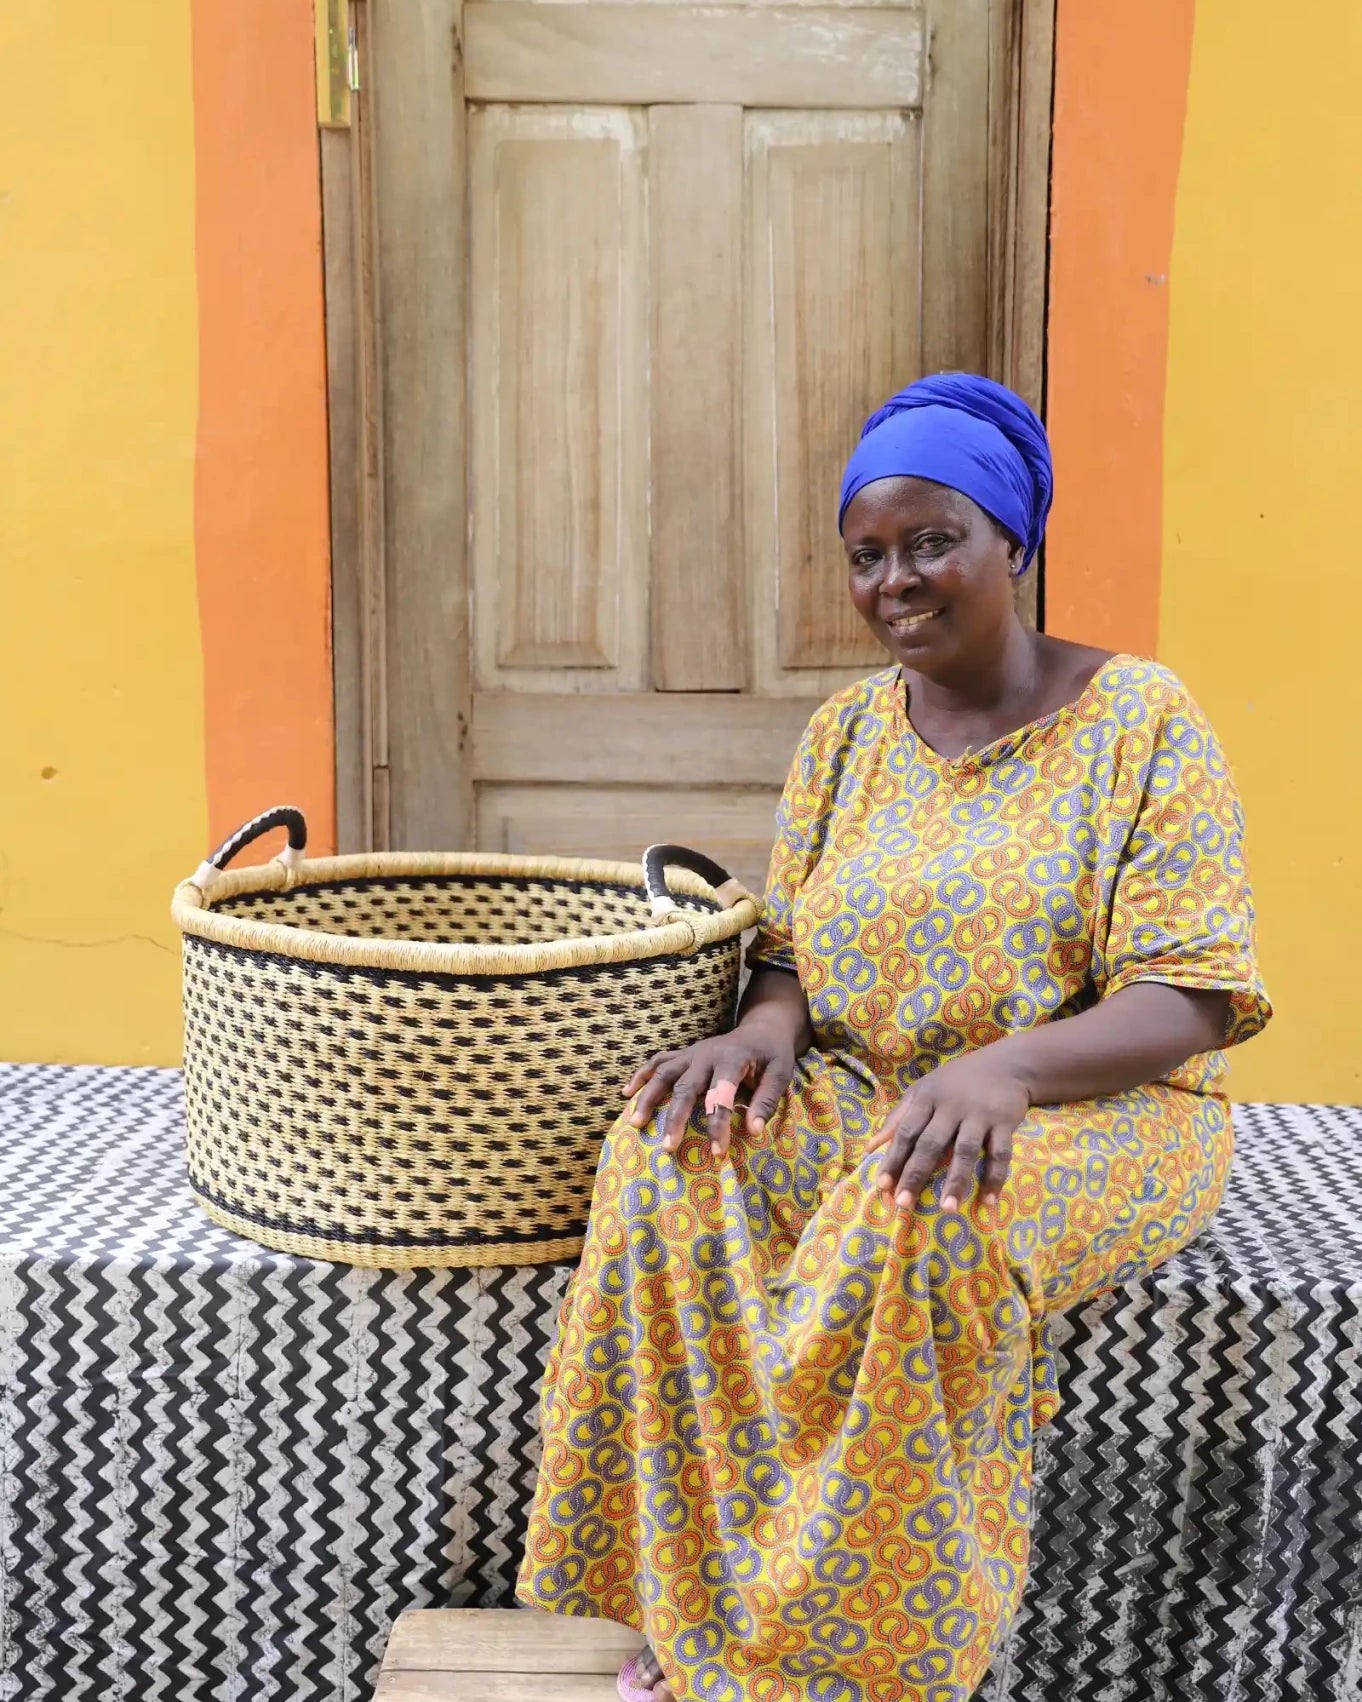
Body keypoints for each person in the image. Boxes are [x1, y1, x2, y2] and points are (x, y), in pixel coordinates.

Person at [516, 373, 1270, 1702]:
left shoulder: (1141, 723)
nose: (895, 580)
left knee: (917, 1214)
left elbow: (1192, 993)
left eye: (934, 541)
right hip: (870, 1086)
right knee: (667, 1156)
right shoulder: (848, 731)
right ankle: (702, 1609)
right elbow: (794, 947)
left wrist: (1005, 1070)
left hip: (1096, 1110)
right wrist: (756, 1033)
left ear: (1011, 546)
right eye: (868, 555)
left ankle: (849, 1664)